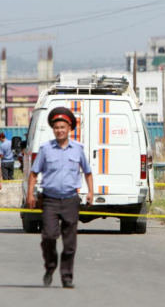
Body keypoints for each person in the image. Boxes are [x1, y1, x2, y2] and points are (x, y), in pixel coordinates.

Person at [26, 107, 93, 289]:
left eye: (63, 127)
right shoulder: (45, 149)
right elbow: (33, 173)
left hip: (71, 200)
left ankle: (66, 277)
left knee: (69, 242)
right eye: (56, 127)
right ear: (53, 129)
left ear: (69, 128)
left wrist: (90, 192)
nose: (60, 130)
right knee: (48, 236)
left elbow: (87, 172)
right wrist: (30, 194)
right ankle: (50, 265)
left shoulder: (78, 149)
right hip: (50, 200)